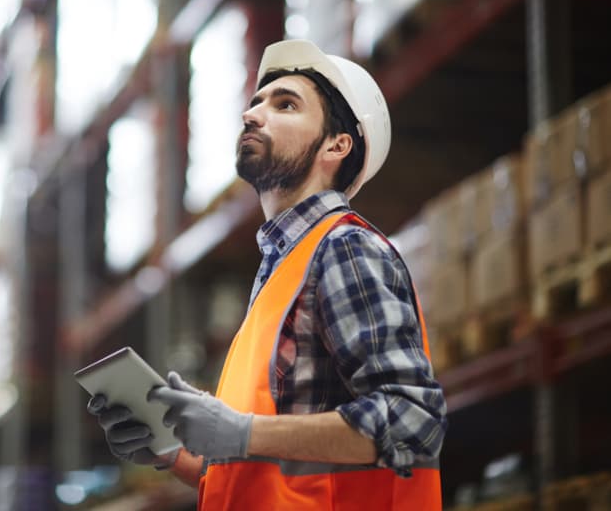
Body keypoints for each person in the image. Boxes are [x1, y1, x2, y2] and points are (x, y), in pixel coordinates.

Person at [86, 39, 446, 509]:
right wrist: (173, 452)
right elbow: (262, 474)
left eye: (285, 104)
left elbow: (411, 420)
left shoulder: (345, 249)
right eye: (256, 103)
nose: (252, 115)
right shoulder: (281, 274)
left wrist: (242, 430)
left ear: (337, 145)